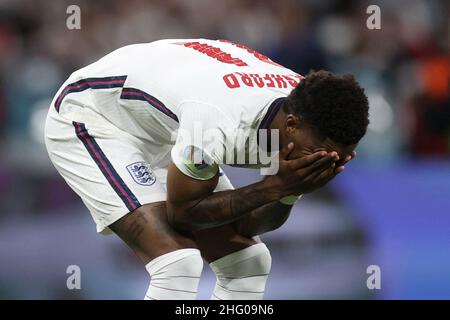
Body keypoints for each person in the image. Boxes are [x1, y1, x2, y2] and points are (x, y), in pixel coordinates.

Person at [44, 38, 369, 300]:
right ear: (293, 126)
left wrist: (290, 191)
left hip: (161, 123)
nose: (324, 163)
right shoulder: (217, 120)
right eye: (319, 155)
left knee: (249, 265)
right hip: (92, 115)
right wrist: (275, 187)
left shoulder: (299, 114)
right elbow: (183, 214)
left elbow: (246, 225)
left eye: (338, 160)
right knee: (177, 263)